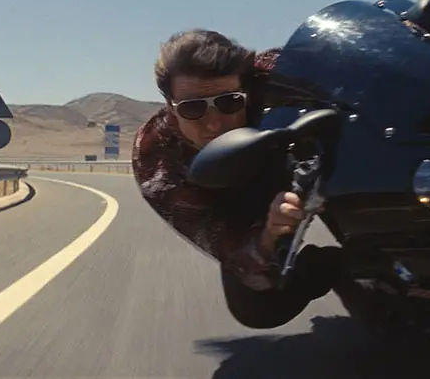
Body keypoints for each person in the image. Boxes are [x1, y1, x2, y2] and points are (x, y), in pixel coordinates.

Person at [131, 28, 346, 329]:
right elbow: (226, 244)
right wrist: (270, 235)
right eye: (193, 108)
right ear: (169, 105)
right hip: (242, 197)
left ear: (246, 87)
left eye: (230, 102)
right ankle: (341, 267)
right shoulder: (156, 158)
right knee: (257, 307)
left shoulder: (274, 72)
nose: (214, 124)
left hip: (306, 152)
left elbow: (343, 55)